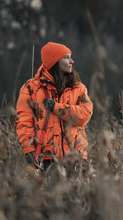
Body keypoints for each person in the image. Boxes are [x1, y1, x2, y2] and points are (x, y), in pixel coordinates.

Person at [15, 42, 93, 170]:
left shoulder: (78, 88)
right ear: (54, 61)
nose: (72, 61)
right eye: (66, 57)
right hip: (47, 159)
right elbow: (23, 121)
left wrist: (56, 107)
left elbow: (84, 116)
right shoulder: (32, 88)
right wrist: (28, 149)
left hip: (76, 158)